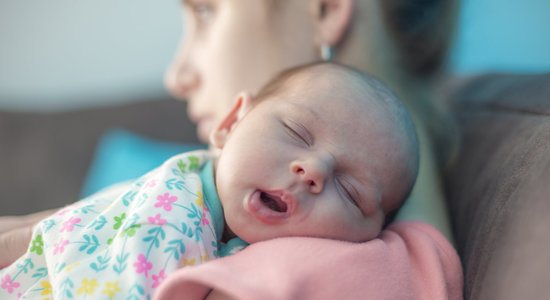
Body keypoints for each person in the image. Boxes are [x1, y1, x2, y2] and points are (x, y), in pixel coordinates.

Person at [0, 0, 462, 298]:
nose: (176, 75)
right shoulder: (201, 185)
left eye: (205, 11)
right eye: (298, 132)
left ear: (322, 8)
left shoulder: (368, 267)